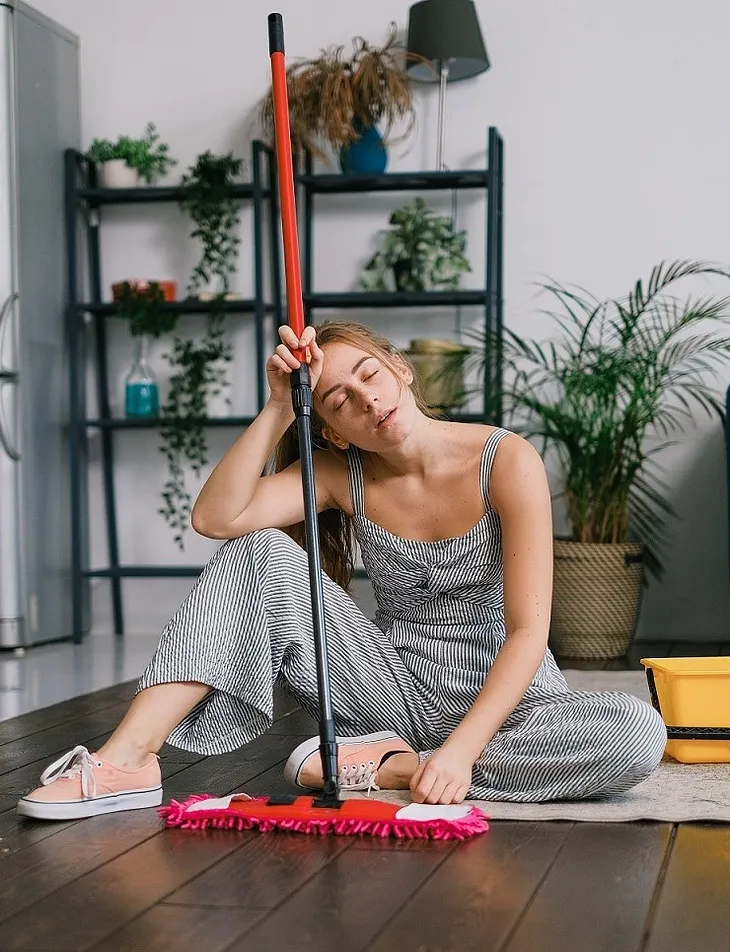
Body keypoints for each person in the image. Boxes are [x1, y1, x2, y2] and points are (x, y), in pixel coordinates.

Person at [18, 320, 667, 821]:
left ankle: (387, 769)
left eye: (369, 374)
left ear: (401, 369)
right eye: (339, 399)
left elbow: (529, 632)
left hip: (516, 712)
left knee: (637, 732)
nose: (367, 398)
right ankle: (127, 759)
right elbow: (217, 520)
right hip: (393, 693)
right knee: (259, 550)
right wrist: (277, 405)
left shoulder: (505, 458)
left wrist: (463, 751)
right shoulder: (338, 473)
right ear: (330, 431)